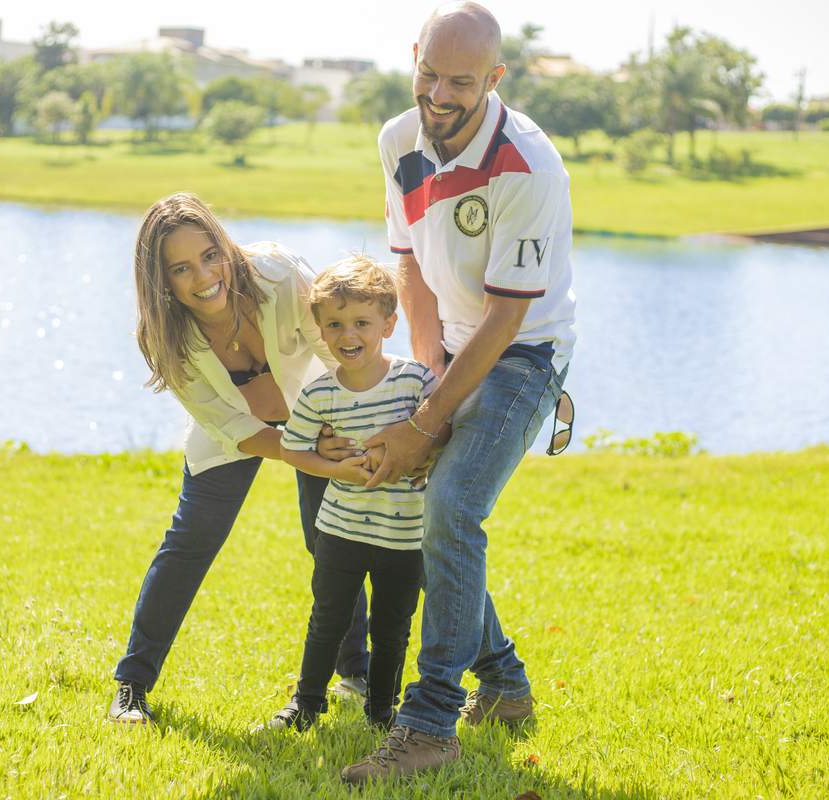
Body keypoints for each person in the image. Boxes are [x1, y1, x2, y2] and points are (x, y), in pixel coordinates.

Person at [340, 1, 576, 784]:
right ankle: (503, 684)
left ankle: (431, 723)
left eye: (461, 83)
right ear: (415, 56)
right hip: (446, 343)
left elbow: (508, 316)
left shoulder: (528, 166)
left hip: (525, 353)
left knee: (450, 505)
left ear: (495, 78)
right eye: (429, 74)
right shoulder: (397, 139)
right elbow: (408, 263)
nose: (439, 95)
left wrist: (427, 420)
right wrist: (427, 383)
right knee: (438, 510)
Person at [108, 192, 370, 724]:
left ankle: (357, 675)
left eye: (210, 256)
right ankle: (131, 687)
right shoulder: (165, 336)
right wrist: (298, 451)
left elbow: (340, 356)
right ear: (161, 281)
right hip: (233, 428)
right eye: (181, 268)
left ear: (225, 248)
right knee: (190, 541)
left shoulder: (281, 277)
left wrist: (335, 437)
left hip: (320, 409)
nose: (204, 276)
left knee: (330, 537)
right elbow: (227, 424)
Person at [253, 255, 450, 735]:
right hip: (339, 532)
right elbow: (293, 449)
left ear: (388, 325)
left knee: (391, 630)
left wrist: (427, 451)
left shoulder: (414, 380)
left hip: (404, 537)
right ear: (320, 329)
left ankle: (381, 712)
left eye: (362, 322)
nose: (348, 335)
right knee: (328, 621)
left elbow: (442, 429)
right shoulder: (319, 394)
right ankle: (306, 705)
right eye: (335, 324)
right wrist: (336, 469)